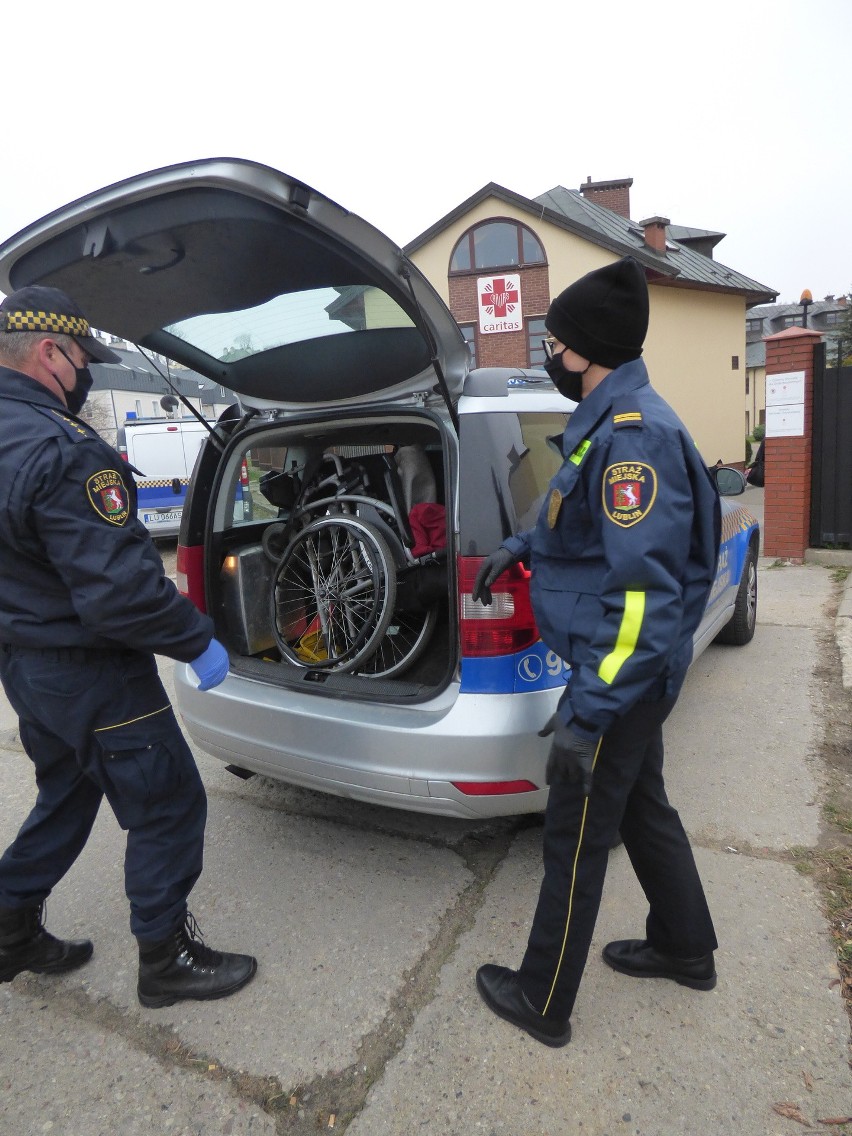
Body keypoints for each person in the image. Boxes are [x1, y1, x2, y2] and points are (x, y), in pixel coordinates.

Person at [472, 257, 720, 1047]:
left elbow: (644, 604)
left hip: (623, 678)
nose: (550, 351)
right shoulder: (606, 419)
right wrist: (517, 545)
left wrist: (589, 710)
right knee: (644, 806)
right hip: (633, 683)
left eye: (556, 341)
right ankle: (685, 948)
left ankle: (542, 999)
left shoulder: (635, 439)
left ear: (587, 350)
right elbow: (566, 516)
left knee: (574, 831)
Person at [0, 286, 257, 1008]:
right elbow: (119, 595)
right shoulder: (66, 450)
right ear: (51, 354)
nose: (89, 375)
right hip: (94, 673)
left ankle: (10, 927)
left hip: (24, 666)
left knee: (67, 791)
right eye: (85, 359)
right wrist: (198, 640)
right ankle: (166, 959)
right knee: (169, 805)